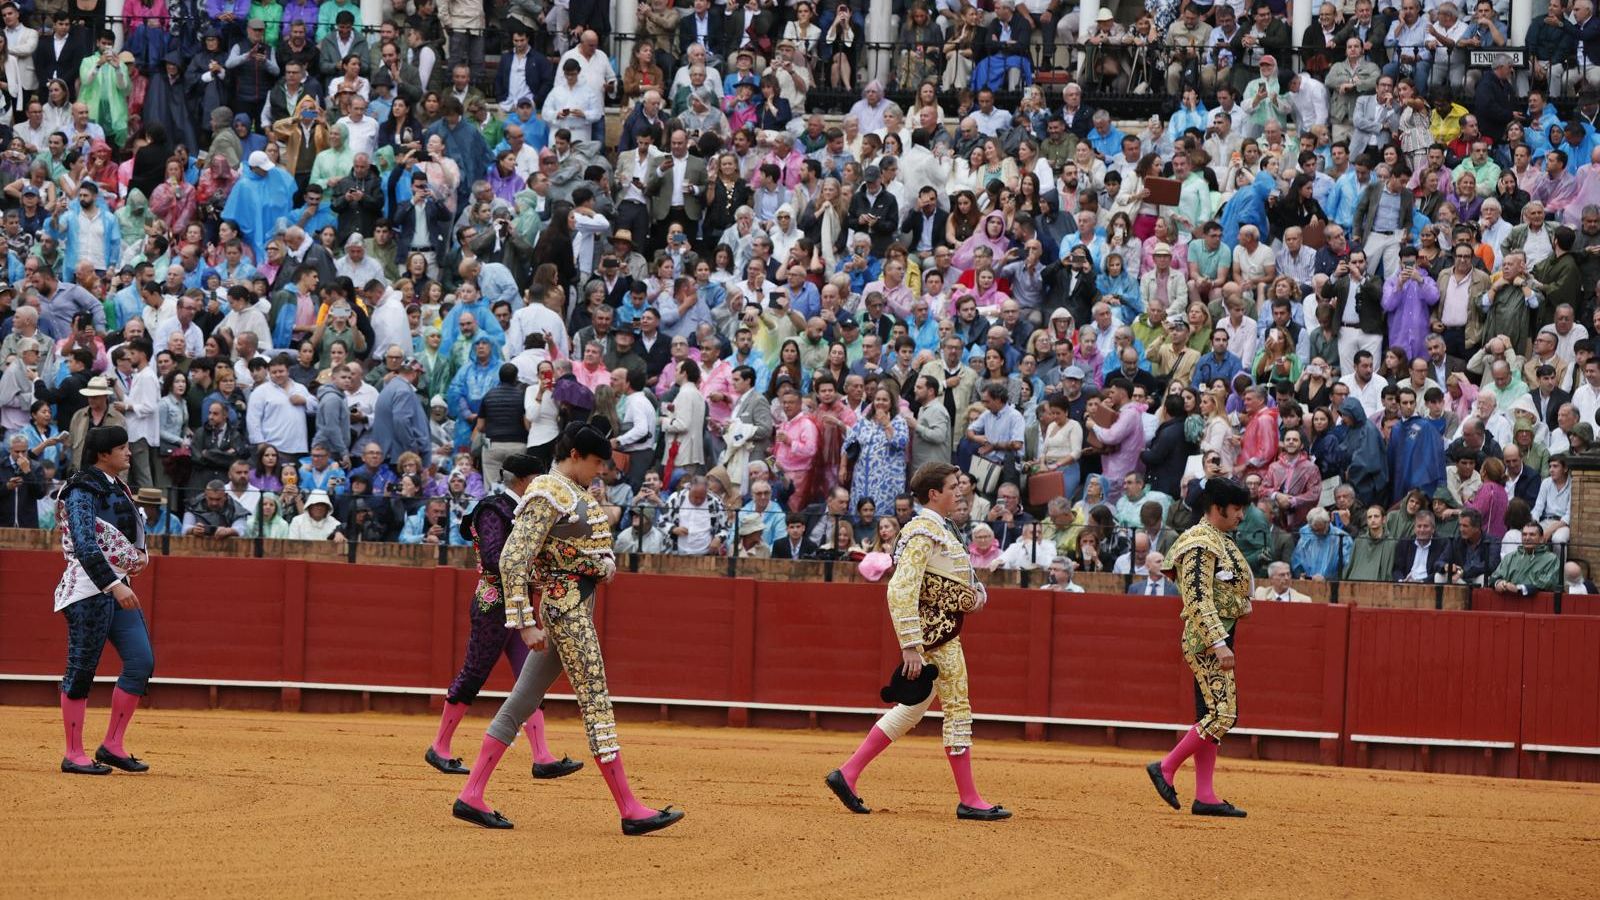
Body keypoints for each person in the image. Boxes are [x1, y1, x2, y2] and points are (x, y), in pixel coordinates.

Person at [451, 421, 684, 835]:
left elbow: (561, 551)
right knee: (595, 700)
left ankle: (471, 794)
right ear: (574, 455)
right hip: (567, 609)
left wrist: (595, 563)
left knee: (521, 702)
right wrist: (522, 624)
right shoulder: (549, 489)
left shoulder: (569, 491)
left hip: (570, 603)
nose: (600, 471)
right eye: (595, 462)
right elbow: (512, 557)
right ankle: (629, 808)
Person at [825, 461, 1010, 821]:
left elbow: (943, 581)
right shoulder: (925, 531)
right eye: (954, 486)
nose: (960, 490)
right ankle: (969, 798)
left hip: (938, 630)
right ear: (934, 494)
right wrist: (910, 643)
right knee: (957, 708)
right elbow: (900, 587)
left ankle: (847, 773)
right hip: (936, 637)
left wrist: (974, 595)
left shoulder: (940, 528)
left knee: (911, 709)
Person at [426, 451, 583, 780]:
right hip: (494, 602)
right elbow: (496, 557)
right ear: (526, 481)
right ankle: (439, 746)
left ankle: (541, 755)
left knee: (531, 679)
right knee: (474, 672)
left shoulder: (520, 511)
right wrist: (533, 570)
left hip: (520, 603)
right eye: (539, 482)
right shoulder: (493, 509)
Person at [1146, 476, 1253, 818]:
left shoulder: (1217, 539)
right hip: (1207, 639)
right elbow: (1196, 597)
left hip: (1216, 635)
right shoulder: (1199, 541)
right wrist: (1219, 642)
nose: (1241, 515)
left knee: (1209, 716)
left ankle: (1205, 795)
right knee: (1223, 715)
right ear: (1218, 507)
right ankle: (1165, 767)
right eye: (1237, 508)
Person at [52, 425, 155, 775]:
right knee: (81, 669)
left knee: (141, 662)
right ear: (103, 454)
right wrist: (114, 584)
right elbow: (84, 543)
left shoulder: (117, 487)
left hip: (116, 583)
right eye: (123, 447)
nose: (129, 452)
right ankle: (73, 753)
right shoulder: (83, 487)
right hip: (88, 588)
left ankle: (112, 745)